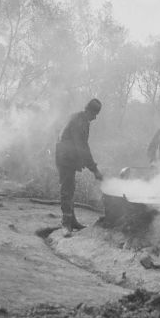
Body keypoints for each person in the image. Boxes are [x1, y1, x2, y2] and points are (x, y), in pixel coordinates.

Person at [55, 99, 104, 237]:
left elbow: (82, 145)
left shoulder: (82, 119)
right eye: (94, 114)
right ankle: (65, 224)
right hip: (64, 158)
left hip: (69, 157)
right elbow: (81, 147)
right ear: (88, 110)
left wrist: (89, 166)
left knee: (71, 188)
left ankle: (72, 221)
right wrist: (94, 170)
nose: (95, 118)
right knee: (67, 189)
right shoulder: (79, 121)